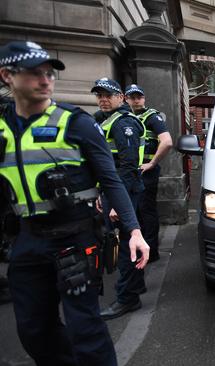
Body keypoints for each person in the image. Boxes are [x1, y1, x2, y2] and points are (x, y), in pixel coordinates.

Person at [0, 40, 149, 365]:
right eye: (33, 73)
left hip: (74, 237)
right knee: (33, 330)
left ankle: (126, 300)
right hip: (26, 240)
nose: (45, 80)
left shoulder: (77, 122)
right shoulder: (3, 127)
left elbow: (114, 174)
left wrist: (133, 229)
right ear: (7, 77)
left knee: (86, 328)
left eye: (49, 73)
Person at [92, 78, 148, 319]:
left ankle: (128, 298)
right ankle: (134, 289)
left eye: (108, 94)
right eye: (99, 95)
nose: (103, 99)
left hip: (125, 192)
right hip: (115, 191)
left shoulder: (124, 123)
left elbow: (127, 166)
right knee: (125, 244)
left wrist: (116, 202)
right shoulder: (107, 120)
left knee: (128, 246)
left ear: (121, 97)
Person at [125, 84, 172, 263]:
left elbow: (167, 142)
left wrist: (152, 163)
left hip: (146, 173)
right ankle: (140, 248)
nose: (136, 100)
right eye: (132, 97)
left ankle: (151, 252)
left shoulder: (151, 117)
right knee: (135, 211)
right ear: (126, 99)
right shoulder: (126, 117)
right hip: (131, 172)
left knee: (146, 211)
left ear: (144, 98)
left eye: (139, 97)